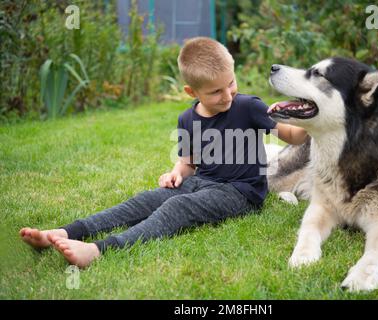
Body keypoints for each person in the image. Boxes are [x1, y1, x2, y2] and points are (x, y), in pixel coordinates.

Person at [19, 37, 308, 268]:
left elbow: (293, 135)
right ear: (191, 92)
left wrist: (309, 116)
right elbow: (188, 163)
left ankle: (98, 250)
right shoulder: (187, 119)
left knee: (176, 208)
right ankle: (67, 231)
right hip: (200, 183)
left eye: (230, 83)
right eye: (216, 91)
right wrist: (176, 174)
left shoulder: (249, 107)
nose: (228, 95)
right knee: (143, 200)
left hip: (241, 192)